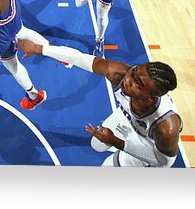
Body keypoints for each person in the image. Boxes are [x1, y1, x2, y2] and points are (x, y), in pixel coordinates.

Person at [16, 38, 181, 167]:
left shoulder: (165, 128)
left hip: (148, 145)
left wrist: (116, 142)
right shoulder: (119, 74)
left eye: (138, 84)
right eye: (134, 71)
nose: (128, 80)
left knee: (107, 168)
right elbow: (77, 57)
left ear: (152, 98)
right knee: (97, 145)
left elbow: (164, 162)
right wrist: (39, 49)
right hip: (128, 118)